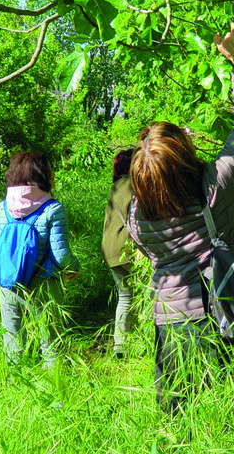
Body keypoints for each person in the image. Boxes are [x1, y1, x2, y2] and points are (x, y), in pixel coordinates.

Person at [124, 23, 234, 413]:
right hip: (224, 312)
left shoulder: (137, 214)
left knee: (178, 418)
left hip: (170, 321)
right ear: (185, 153)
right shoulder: (216, 184)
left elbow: (142, 249)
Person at [0, 151, 80, 370]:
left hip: (9, 285)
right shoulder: (52, 209)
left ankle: (13, 386)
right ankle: (54, 388)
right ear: (42, 175)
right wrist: (74, 268)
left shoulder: (2, 209)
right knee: (50, 342)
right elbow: (61, 254)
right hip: (43, 285)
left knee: (12, 340)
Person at [101, 149, 136, 358]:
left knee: (125, 296)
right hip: (127, 248)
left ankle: (121, 345)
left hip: (110, 247)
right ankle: (127, 344)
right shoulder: (134, 184)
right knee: (134, 295)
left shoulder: (115, 186)